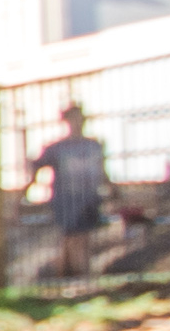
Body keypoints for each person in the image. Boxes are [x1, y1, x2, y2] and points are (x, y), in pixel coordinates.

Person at [31, 104, 113, 280]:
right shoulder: (57, 148)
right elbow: (36, 167)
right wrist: (24, 195)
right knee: (74, 237)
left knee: (78, 238)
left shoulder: (94, 146)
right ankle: (84, 275)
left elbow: (102, 170)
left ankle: (65, 277)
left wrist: (113, 189)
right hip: (66, 199)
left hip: (90, 198)